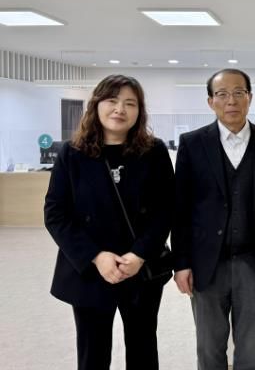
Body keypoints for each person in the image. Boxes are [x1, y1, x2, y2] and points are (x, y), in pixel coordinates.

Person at [44, 74, 174, 370]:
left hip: (139, 268)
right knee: (92, 353)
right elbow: (55, 213)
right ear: (96, 105)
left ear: (139, 111)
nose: (120, 109)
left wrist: (139, 254)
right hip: (90, 269)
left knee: (143, 349)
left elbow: (165, 209)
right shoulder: (72, 153)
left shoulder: (153, 151)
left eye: (130, 103)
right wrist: (96, 256)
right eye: (112, 101)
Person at [172, 68, 255, 369]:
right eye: (222, 94)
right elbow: (181, 208)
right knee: (209, 346)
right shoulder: (192, 143)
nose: (231, 101)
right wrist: (181, 263)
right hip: (206, 263)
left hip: (254, 260)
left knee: (251, 346)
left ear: (249, 97)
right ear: (210, 101)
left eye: (239, 93)